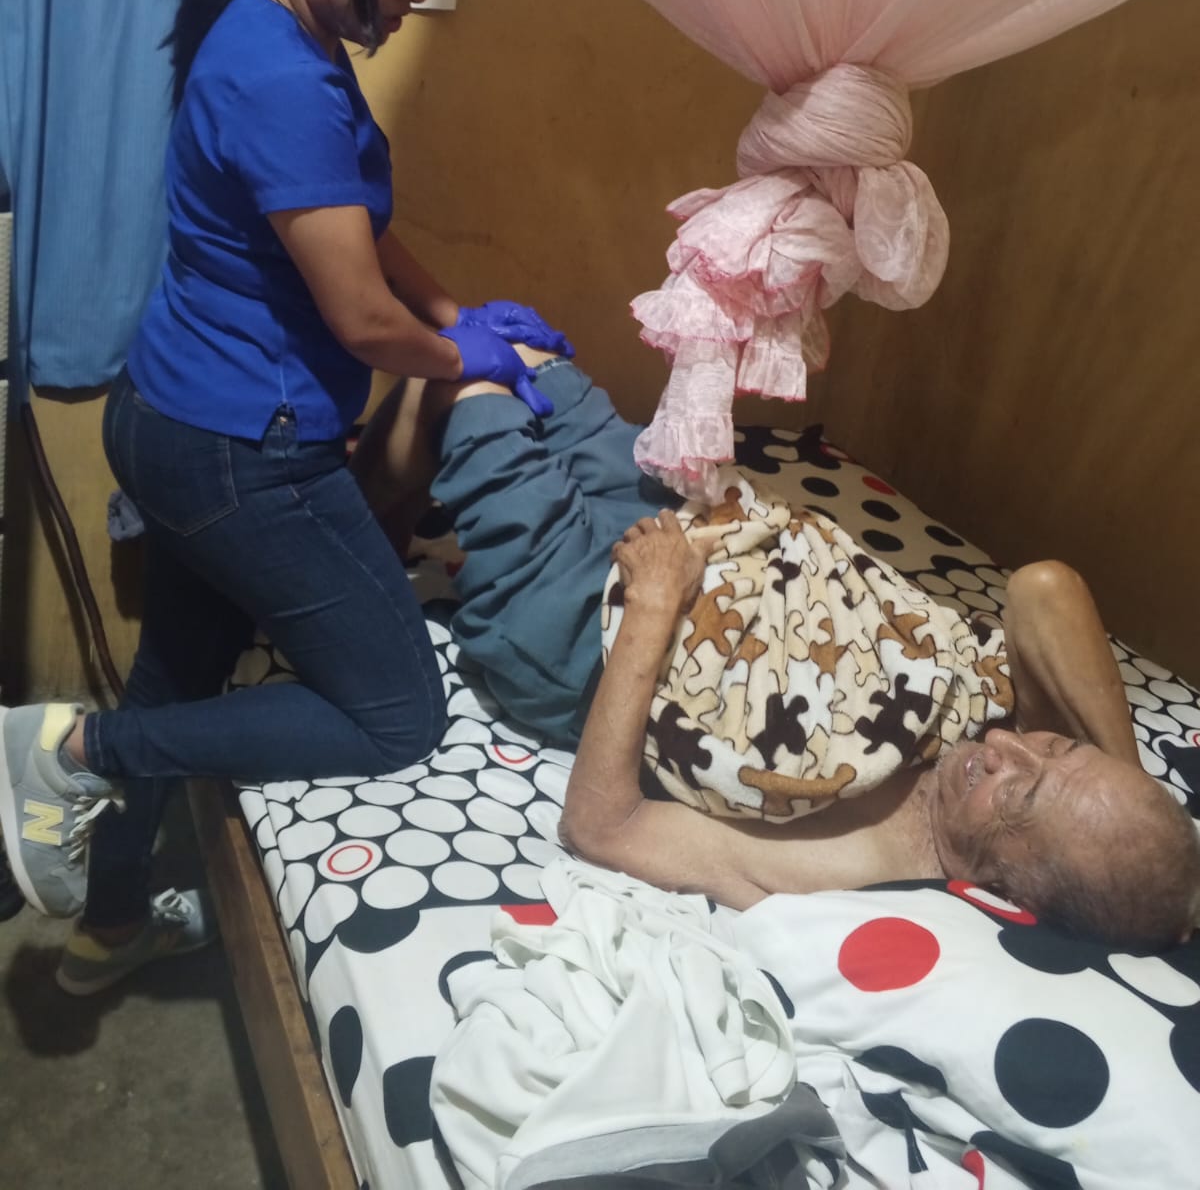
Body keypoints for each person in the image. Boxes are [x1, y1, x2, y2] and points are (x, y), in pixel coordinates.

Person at [0, 0, 565, 993]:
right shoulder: (282, 78)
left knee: (180, 668)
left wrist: (455, 314)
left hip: (180, 418)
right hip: (238, 451)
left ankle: (109, 925)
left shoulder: (282, 27)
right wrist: (473, 360)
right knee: (397, 711)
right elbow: (358, 314)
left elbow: (353, 221)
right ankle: (71, 746)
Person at [349, 347, 1200, 949]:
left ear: (1005, 893)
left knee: (461, 373)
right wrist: (1110, 782)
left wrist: (654, 604)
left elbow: (603, 826)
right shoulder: (1000, 759)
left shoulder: (846, 869)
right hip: (699, 542)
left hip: (585, 630)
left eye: (1020, 791)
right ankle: (373, 516)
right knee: (518, 351)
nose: (1008, 744)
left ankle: (341, 541)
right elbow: (1046, 589)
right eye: (1052, 747)